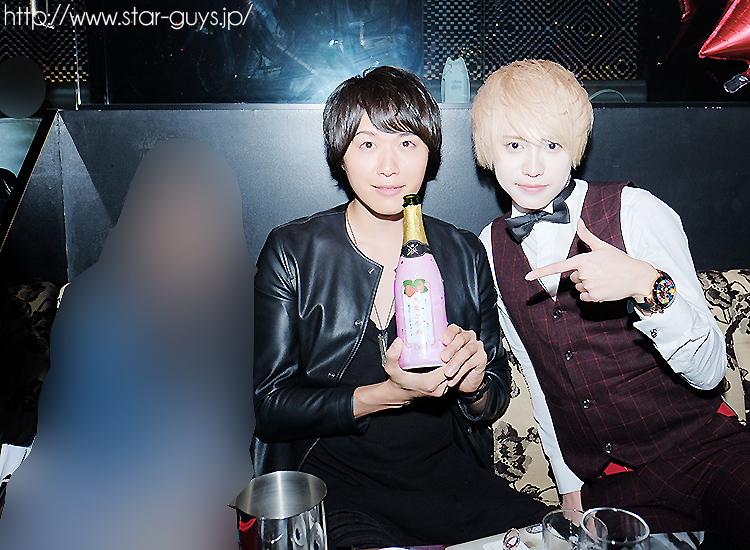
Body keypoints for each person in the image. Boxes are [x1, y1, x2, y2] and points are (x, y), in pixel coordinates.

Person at [252, 66, 551, 549]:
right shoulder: (293, 251)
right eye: (367, 143)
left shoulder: (464, 252)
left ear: (430, 154)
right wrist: (386, 395)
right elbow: (272, 407)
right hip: (336, 490)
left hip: (450, 484)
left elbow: (493, 395)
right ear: (341, 155)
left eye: (407, 142)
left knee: (563, 538)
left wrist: (474, 384)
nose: (388, 166)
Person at [473, 59, 750, 548]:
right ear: (488, 152)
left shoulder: (636, 211)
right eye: (514, 145)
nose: (533, 167)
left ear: (574, 149)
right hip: (611, 483)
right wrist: (569, 486)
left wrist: (648, 285)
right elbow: (539, 378)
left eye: (551, 145)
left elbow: (710, 374)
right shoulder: (490, 249)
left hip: (705, 453)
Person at [0, 139, 254, 549]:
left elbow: (231, 430)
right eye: (168, 210)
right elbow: (84, 429)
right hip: (87, 488)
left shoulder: (245, 299)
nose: (184, 228)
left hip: (189, 493)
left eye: (199, 213)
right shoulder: (98, 301)